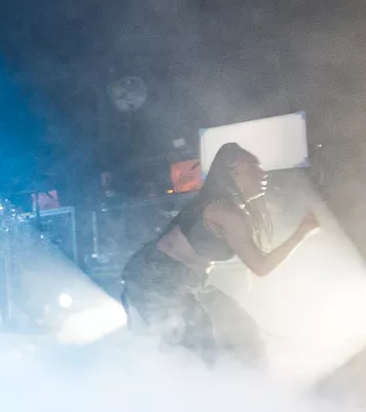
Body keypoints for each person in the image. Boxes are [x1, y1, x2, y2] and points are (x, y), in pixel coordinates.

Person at [121, 142, 320, 362]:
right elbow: (261, 266)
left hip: (173, 280)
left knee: (237, 329)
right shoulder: (224, 211)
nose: (263, 173)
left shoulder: (227, 207)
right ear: (232, 172)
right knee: (199, 347)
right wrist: (302, 232)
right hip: (156, 281)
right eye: (252, 166)